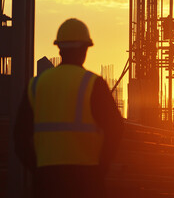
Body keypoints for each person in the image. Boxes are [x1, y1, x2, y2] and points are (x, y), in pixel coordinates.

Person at [14, 18, 124, 198]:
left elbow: (19, 137)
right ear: (85, 49)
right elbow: (116, 129)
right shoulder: (93, 84)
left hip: (46, 180)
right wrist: (101, 166)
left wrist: (37, 167)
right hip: (86, 180)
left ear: (60, 48)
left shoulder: (37, 84)